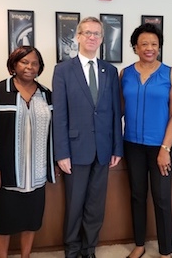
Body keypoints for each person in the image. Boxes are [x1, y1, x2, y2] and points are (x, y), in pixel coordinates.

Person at [52, 16, 123, 258]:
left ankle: (89, 248)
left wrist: (117, 148)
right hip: (74, 149)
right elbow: (59, 115)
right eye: (87, 33)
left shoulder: (110, 71)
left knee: (95, 205)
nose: (92, 37)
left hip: (103, 150)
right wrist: (61, 152)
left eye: (96, 34)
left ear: (102, 39)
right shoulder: (63, 70)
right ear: (78, 37)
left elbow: (115, 112)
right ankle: (72, 249)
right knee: (74, 205)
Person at [0, 46, 56, 258]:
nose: (29, 67)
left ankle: (26, 256)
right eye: (24, 62)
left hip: (36, 172)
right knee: (3, 221)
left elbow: (55, 132)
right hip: (5, 173)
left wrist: (54, 163)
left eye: (34, 63)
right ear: (14, 64)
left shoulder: (46, 95)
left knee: (31, 220)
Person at [120, 23, 172, 258]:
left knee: (162, 198)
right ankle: (139, 244)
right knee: (137, 195)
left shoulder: (169, 74)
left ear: (159, 47)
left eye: (154, 44)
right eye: (144, 44)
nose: (149, 48)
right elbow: (120, 111)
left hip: (160, 146)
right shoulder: (125, 74)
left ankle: (166, 250)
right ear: (135, 47)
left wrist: (165, 148)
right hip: (132, 145)